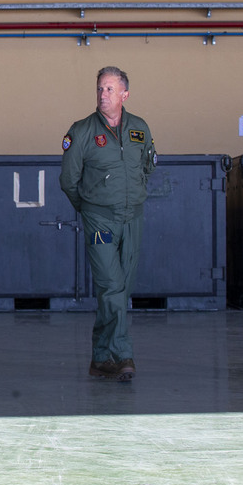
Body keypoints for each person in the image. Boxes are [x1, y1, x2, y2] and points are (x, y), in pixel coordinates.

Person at [59, 65, 157, 382]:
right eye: (100, 88)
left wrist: (132, 196)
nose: (103, 94)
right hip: (100, 219)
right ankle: (121, 354)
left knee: (120, 289)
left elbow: (146, 167)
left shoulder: (139, 128)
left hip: (133, 217)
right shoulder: (82, 132)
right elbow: (68, 180)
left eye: (110, 89)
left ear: (125, 94)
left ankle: (100, 358)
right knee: (111, 287)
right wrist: (88, 209)